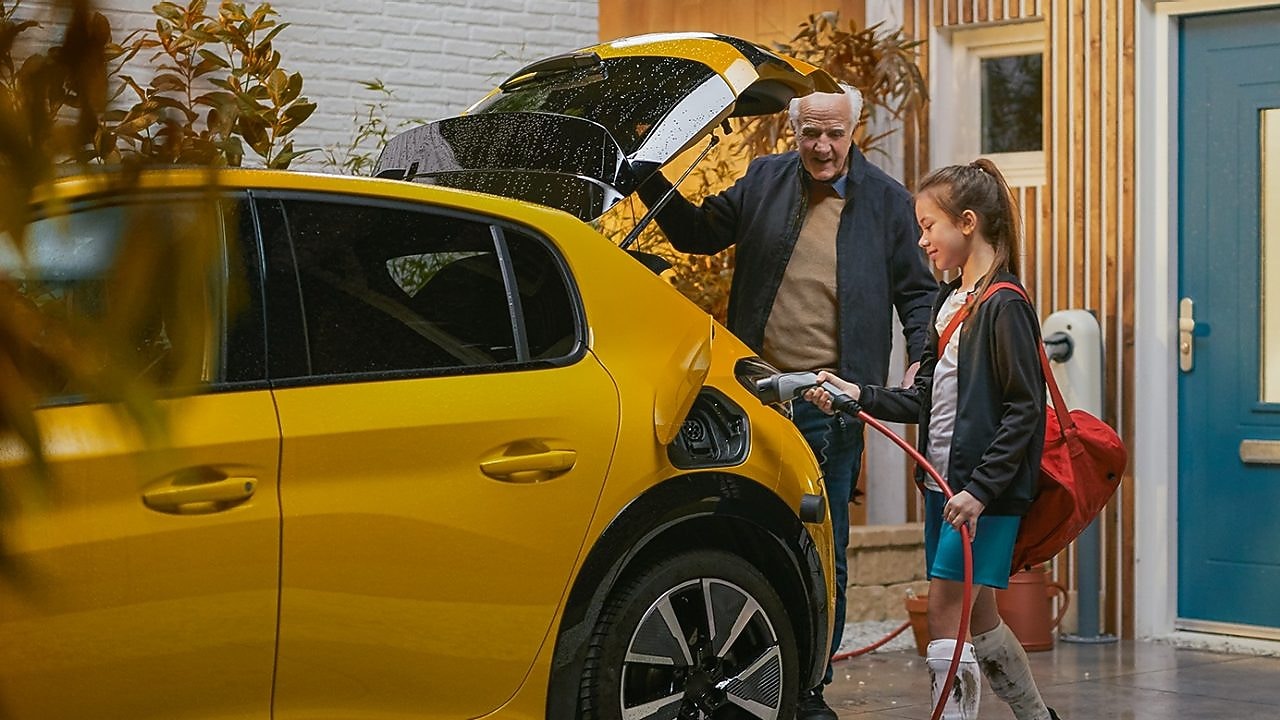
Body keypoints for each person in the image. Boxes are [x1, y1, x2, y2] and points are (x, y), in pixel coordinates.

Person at [637, 85, 937, 718]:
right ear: (793, 132)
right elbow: (695, 234)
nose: (822, 147)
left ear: (851, 130)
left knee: (825, 550)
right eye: (810, 134)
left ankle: (812, 686)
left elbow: (916, 295)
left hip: (833, 405)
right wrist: (645, 175)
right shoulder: (764, 179)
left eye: (833, 134)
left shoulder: (888, 202)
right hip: (757, 398)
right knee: (747, 537)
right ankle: (750, 672)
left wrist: (922, 357)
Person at [805, 159, 1061, 720]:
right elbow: (922, 400)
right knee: (982, 617)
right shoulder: (949, 304)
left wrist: (982, 491)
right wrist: (856, 394)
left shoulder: (1005, 305)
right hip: (943, 490)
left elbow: (1025, 411)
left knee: (946, 620)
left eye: (928, 226)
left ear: (967, 223)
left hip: (977, 497)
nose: (921, 241)